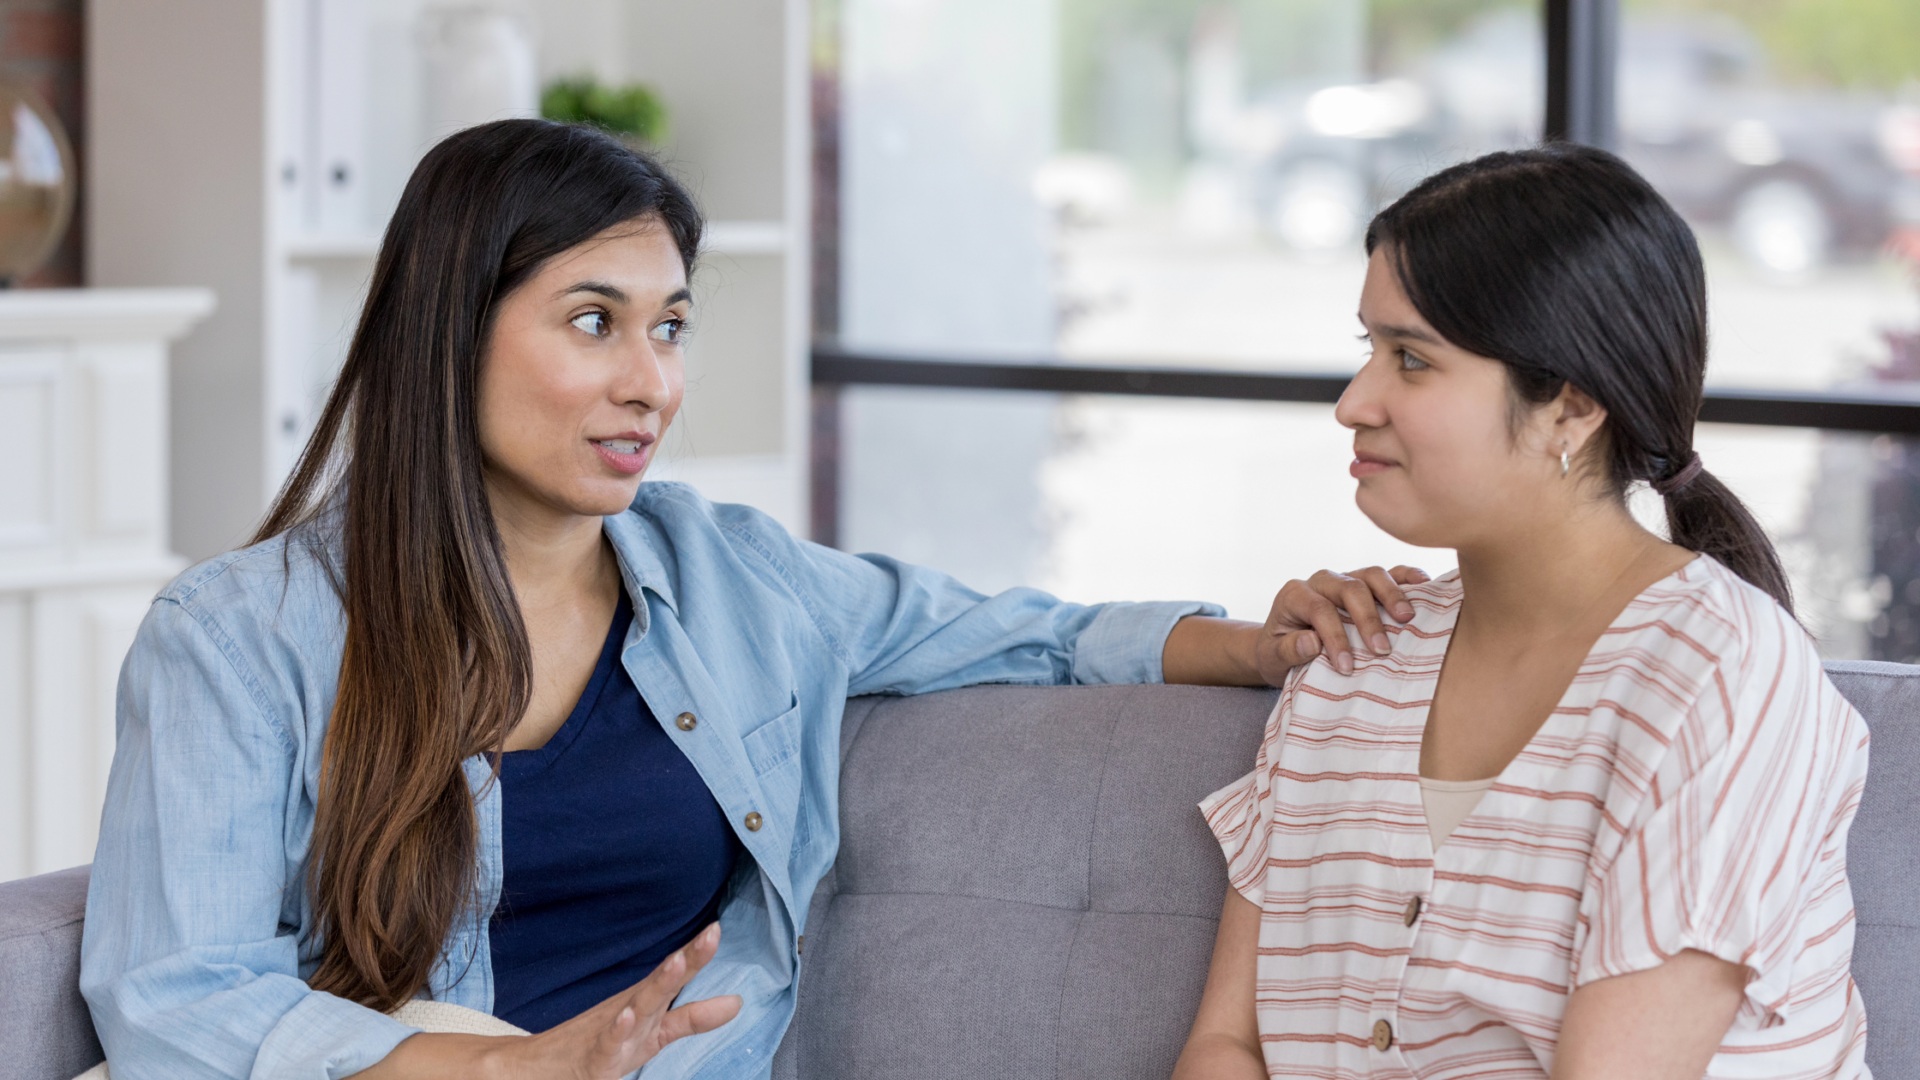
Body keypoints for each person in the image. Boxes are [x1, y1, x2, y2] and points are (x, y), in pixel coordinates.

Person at [79, 119, 1419, 1080]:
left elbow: (1032, 634)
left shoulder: (734, 577)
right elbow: (170, 996)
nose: (652, 381)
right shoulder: (239, 639)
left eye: (670, 326)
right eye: (593, 321)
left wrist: (1261, 640)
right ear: (451, 329)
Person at [1174, 144, 1870, 1080]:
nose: (1353, 403)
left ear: (1571, 410)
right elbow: (1230, 1045)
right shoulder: (1356, 658)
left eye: (1411, 360)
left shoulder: (1722, 673)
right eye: (1367, 350)